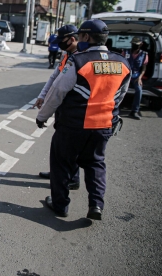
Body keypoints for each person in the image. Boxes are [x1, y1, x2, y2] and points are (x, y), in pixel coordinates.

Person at [36, 19, 130, 220]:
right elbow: (120, 96)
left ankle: (60, 205)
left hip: (74, 125)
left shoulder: (79, 60)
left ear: (86, 37)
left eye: (80, 36)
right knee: (96, 163)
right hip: (104, 125)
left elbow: (58, 91)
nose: (78, 39)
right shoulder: (122, 63)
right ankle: (96, 205)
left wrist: (42, 116)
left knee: (61, 163)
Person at [33, 25, 80, 189]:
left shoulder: (81, 58)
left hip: (73, 109)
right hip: (63, 108)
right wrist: (42, 95)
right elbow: (55, 76)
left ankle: (71, 179)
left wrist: (43, 114)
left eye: (63, 40)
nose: (60, 43)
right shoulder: (67, 55)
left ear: (73, 39)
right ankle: (59, 173)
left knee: (70, 147)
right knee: (60, 147)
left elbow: (61, 88)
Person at [126, 37, 148, 120]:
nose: (134, 45)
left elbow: (144, 68)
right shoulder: (125, 52)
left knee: (139, 90)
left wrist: (140, 77)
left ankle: (134, 111)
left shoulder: (144, 55)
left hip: (136, 76)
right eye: (133, 44)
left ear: (141, 44)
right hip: (126, 75)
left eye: (136, 44)